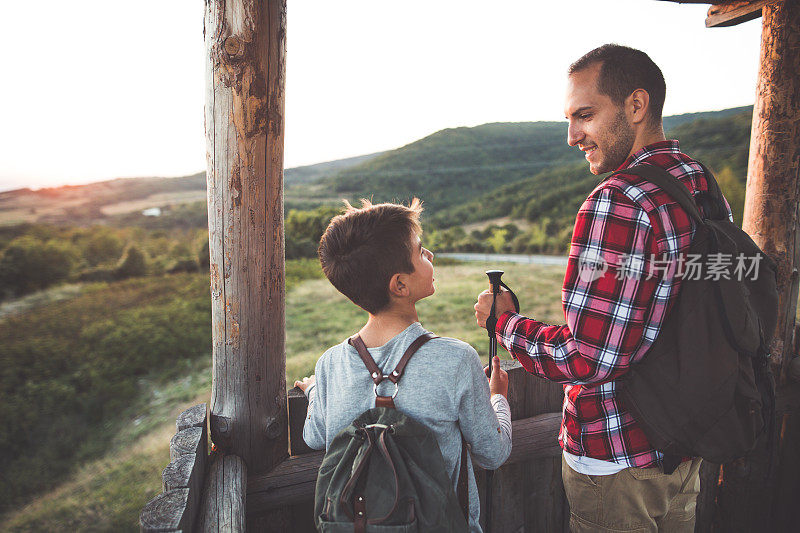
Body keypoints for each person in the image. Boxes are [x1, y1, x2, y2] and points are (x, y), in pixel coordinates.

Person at [474, 44, 733, 533]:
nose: (572, 136)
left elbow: (588, 358)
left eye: (585, 115)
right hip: (686, 443)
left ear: (636, 106)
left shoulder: (617, 202)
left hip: (617, 457)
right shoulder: (700, 181)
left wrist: (504, 324)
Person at [296, 198, 512, 532]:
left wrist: (314, 391)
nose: (430, 256)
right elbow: (492, 453)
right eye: (421, 250)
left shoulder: (329, 365)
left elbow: (314, 436)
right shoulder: (456, 360)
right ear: (400, 284)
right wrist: (497, 398)